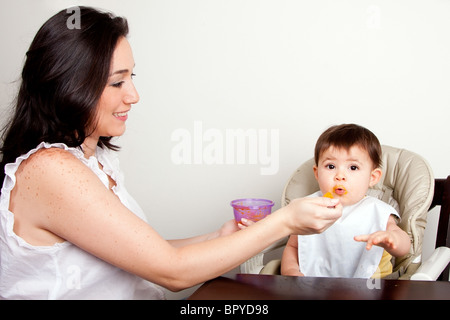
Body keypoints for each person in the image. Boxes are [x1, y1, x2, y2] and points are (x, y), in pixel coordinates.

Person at [0, 7, 342, 299]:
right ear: (68, 85)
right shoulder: (51, 170)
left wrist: (217, 238)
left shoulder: (95, 161)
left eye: (131, 77)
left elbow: (143, 256)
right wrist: (286, 221)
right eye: (117, 82)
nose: (133, 95)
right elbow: (173, 273)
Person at [281, 124, 411, 279]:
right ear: (317, 173)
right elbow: (294, 246)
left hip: (370, 289)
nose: (340, 176)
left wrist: (392, 239)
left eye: (353, 168)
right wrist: (291, 272)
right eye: (331, 166)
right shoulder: (308, 207)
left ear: (373, 177)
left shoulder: (378, 210)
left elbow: (404, 247)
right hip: (312, 288)